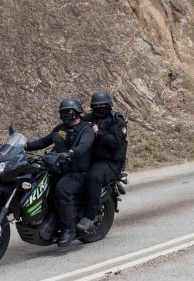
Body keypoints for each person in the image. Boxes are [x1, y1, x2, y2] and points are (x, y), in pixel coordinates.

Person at [24, 98, 94, 247]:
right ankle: (50, 219)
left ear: (76, 113)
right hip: (60, 169)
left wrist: (71, 153)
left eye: (67, 112)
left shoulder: (85, 129)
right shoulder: (60, 129)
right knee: (41, 188)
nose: (64, 115)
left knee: (62, 191)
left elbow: (84, 145)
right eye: (62, 112)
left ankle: (69, 229)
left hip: (78, 171)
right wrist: (24, 146)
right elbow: (44, 141)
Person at [76, 91, 127, 232]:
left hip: (110, 161)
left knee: (93, 177)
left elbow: (116, 141)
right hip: (91, 158)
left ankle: (90, 217)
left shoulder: (117, 120)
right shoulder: (88, 118)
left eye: (102, 105)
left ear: (109, 105)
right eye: (96, 106)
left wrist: (98, 132)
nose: (99, 108)